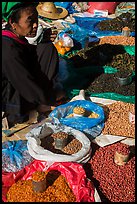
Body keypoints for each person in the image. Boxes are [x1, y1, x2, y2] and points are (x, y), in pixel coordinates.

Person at [2, 2, 65, 128]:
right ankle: (39, 103)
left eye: (36, 19)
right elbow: (23, 81)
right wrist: (49, 98)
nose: (35, 25)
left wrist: (43, 40)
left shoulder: (15, 37)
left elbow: (28, 53)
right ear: (13, 23)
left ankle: (40, 98)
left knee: (46, 48)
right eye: (30, 21)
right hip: (8, 98)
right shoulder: (7, 49)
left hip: (20, 83)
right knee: (27, 91)